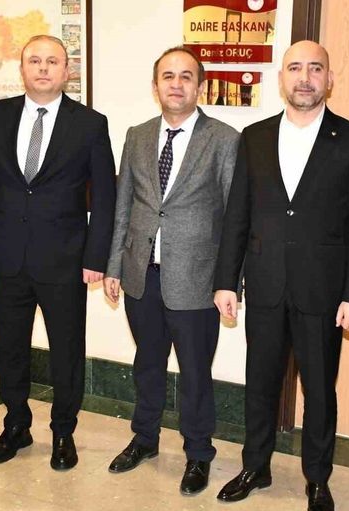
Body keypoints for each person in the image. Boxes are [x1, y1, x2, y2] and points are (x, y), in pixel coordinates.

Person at [212, 40, 349, 511]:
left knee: (320, 391)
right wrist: (226, 281)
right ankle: (255, 466)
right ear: (282, 78)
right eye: (295, 68)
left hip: (323, 291)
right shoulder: (255, 136)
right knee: (260, 383)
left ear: (329, 79)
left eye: (315, 69)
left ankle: (317, 479)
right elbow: (237, 214)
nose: (305, 78)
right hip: (265, 283)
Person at [0, 35, 116, 467]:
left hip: (65, 261)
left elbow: (105, 197)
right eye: (35, 61)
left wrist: (96, 258)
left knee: (66, 351)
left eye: (52, 61)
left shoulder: (90, 123)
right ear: (22, 69)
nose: (44, 68)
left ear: (67, 70)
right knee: (10, 348)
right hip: (7, 256)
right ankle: (16, 425)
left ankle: (63, 431)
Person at [103, 46, 239, 495]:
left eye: (185, 76)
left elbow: (234, 218)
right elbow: (124, 206)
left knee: (195, 373)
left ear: (199, 86)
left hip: (197, 281)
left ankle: (198, 453)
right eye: (167, 76)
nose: (176, 84)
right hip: (141, 275)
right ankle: (144, 438)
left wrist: (229, 283)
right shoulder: (137, 135)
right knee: (147, 363)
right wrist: (114, 266)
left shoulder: (223, 139)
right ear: (155, 85)